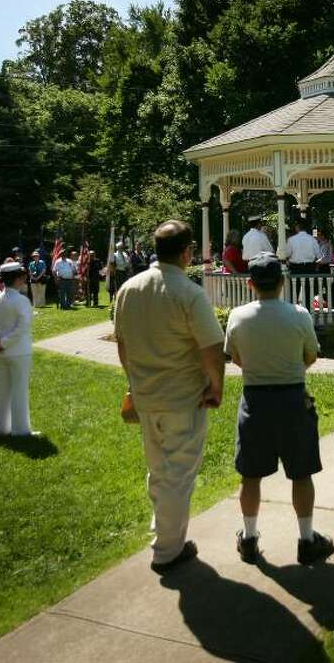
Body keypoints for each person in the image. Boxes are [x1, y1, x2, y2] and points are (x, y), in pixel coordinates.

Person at [113, 220, 225, 574]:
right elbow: (211, 346)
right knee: (178, 473)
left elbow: (123, 345)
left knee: (159, 469)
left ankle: (162, 529)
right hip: (182, 397)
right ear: (187, 252)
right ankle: (168, 550)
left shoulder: (128, 289)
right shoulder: (188, 293)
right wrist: (216, 385)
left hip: (146, 396)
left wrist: (132, 381)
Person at [225, 253, 334, 565]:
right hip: (292, 398)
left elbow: (235, 357)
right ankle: (306, 539)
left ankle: (248, 537)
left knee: (251, 475)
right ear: (282, 283)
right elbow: (311, 355)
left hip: (255, 400)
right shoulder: (299, 315)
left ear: (250, 284)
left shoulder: (237, 317)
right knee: (301, 473)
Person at [0, 262, 36, 436]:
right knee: (19, 390)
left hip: (0, 352)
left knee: (2, 389)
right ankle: (20, 430)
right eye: (22, 276)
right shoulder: (22, 300)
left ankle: (2, 427)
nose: (24, 279)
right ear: (18, 278)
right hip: (18, 351)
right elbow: (23, 326)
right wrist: (3, 342)